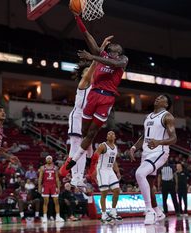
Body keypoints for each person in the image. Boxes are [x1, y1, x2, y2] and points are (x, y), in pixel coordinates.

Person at [59, 12, 128, 177]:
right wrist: (77, 19)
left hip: (107, 98)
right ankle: (91, 159)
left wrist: (94, 56)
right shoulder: (102, 56)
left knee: (91, 133)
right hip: (93, 96)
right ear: (109, 51)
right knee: (84, 133)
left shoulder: (122, 61)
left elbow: (113, 62)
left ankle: (72, 162)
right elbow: (87, 36)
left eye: (117, 52)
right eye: (112, 51)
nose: (115, 54)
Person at [130, 94, 177, 225]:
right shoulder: (148, 117)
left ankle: (149, 211)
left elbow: (174, 138)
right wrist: (134, 147)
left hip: (160, 152)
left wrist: (159, 142)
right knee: (148, 185)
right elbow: (144, 136)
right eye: (157, 97)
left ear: (166, 104)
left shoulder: (167, 116)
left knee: (139, 174)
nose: (157, 98)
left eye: (162, 98)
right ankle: (158, 212)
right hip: (146, 153)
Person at [93, 131, 122, 223]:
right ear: (106, 136)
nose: (110, 135)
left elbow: (114, 161)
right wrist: (93, 169)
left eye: (112, 134)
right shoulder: (103, 145)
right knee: (104, 192)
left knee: (117, 190)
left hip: (110, 171)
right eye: (108, 134)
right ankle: (104, 214)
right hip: (102, 170)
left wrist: (117, 171)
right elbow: (95, 156)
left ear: (115, 137)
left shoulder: (115, 148)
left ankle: (113, 212)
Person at [38, 155, 64, 223]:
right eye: (48, 159)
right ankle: (45, 217)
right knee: (45, 202)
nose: (49, 160)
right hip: (46, 185)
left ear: (52, 160)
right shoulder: (42, 168)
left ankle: (58, 217)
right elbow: (40, 178)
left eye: (50, 158)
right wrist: (39, 187)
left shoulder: (55, 168)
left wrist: (58, 187)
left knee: (56, 201)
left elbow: (57, 178)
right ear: (46, 160)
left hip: (53, 185)